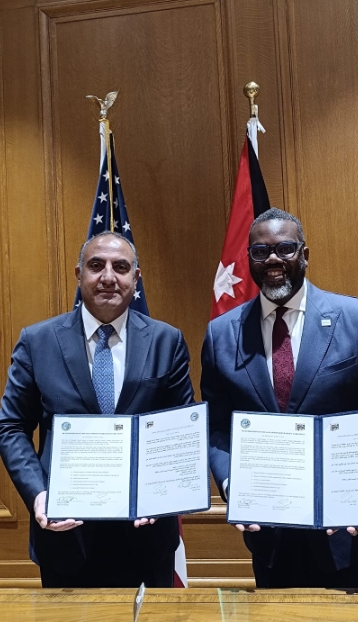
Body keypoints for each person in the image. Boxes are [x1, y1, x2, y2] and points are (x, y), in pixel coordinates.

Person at [201, 208, 358, 589]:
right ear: (249, 259)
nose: (273, 259)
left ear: (305, 255)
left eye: (285, 248)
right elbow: (216, 428)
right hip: (269, 535)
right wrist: (233, 484)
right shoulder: (222, 335)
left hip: (345, 533)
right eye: (261, 251)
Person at [0, 232, 194, 588]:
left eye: (120, 267)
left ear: (136, 277)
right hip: (66, 535)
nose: (108, 277)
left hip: (146, 536)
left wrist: (163, 495)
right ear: (79, 274)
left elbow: (181, 430)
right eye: (96, 265)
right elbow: (11, 427)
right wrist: (38, 493)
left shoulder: (166, 341)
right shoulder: (38, 342)